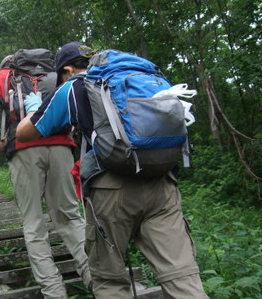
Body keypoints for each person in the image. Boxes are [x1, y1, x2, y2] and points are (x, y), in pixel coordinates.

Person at [16, 41, 209, 299]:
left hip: (111, 188)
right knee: (181, 275)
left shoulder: (73, 87)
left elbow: (25, 133)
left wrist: (33, 108)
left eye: (61, 75)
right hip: (163, 184)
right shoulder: (139, 78)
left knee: (109, 280)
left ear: (69, 70)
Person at [0, 53, 91, 298]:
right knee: (69, 216)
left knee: (34, 222)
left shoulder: (4, 77)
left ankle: (54, 291)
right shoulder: (57, 74)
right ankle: (95, 277)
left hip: (23, 148)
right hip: (61, 147)